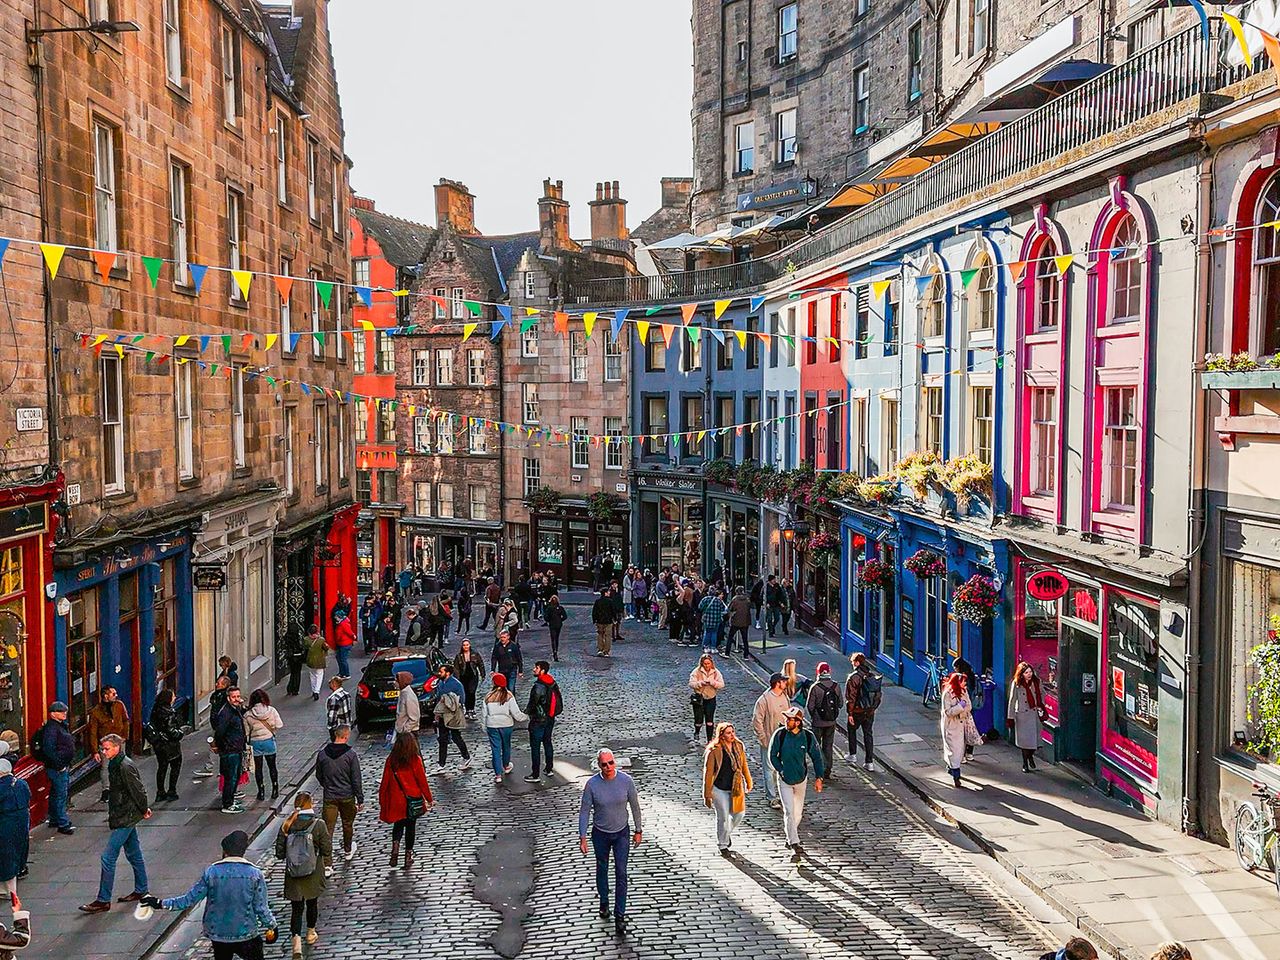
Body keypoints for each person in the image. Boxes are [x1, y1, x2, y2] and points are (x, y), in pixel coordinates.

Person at [144, 830, 276, 960]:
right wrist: (271, 925)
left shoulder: (212, 872)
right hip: (246, 933)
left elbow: (188, 900)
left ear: (225, 851)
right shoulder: (254, 874)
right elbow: (261, 907)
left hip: (218, 934)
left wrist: (160, 903)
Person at [79, 734, 151, 913]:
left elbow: (137, 789)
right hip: (124, 813)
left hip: (125, 816)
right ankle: (142, 889)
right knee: (134, 853)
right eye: (102, 749)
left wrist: (144, 809)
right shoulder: (115, 763)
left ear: (118, 747)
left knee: (108, 857)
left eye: (107, 748)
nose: (104, 752)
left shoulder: (125, 766)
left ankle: (103, 900)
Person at [578, 748, 642, 936]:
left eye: (611, 763)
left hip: (621, 832)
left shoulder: (626, 781)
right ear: (599, 765)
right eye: (604, 764)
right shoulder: (592, 785)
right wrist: (582, 836)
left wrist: (638, 830)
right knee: (602, 868)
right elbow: (584, 811)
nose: (608, 767)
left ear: (615, 762)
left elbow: (635, 806)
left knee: (621, 873)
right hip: (601, 834)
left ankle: (620, 915)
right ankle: (604, 900)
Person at [273, 792, 330, 959]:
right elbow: (327, 850)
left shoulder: (287, 825)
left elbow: (279, 853)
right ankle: (310, 933)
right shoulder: (318, 824)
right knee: (312, 904)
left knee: (296, 910)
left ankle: (296, 944)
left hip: (293, 874)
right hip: (313, 872)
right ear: (310, 805)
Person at [768, 707, 825, 862]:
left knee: (798, 813)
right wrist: (781, 770)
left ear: (798, 722)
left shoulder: (807, 737)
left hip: (801, 779)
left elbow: (817, 757)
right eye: (786, 718)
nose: (787, 721)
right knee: (788, 811)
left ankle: (789, 836)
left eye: (790, 719)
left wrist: (819, 777)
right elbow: (772, 755)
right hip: (784, 780)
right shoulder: (779, 735)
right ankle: (795, 842)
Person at [378, 732, 433, 870]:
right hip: (411, 799)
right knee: (410, 827)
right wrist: (429, 798)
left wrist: (382, 799)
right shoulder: (415, 760)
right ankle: (408, 855)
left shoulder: (391, 760)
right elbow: (422, 781)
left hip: (396, 799)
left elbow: (385, 782)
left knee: (398, 825)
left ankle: (395, 847)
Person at [314, 725, 363, 870]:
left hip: (330, 796)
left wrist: (327, 785)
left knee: (328, 829)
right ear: (346, 736)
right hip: (347, 796)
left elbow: (319, 775)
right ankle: (348, 849)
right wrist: (359, 798)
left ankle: (327, 864)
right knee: (347, 824)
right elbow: (356, 779)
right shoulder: (351, 755)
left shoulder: (322, 754)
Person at [702, 721, 753, 855]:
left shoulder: (738, 746)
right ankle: (723, 844)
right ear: (722, 735)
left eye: (732, 732)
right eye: (728, 733)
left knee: (739, 814)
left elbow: (743, 765)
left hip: (735, 787)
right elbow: (708, 773)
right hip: (719, 788)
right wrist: (707, 794)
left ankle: (726, 833)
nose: (732, 735)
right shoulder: (714, 750)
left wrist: (748, 780)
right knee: (723, 816)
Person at [751, 673, 791, 809]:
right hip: (769, 740)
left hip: (784, 740)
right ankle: (772, 797)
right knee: (769, 770)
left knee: (781, 768)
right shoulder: (764, 700)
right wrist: (763, 738)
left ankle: (782, 794)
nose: (786, 683)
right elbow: (757, 721)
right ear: (777, 683)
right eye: (784, 681)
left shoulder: (785, 697)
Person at [35, 702, 75, 835]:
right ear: (53, 714)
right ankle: (63, 823)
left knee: (55, 792)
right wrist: (60, 765)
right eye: (61, 711)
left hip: (58, 766)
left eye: (65, 711)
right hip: (57, 768)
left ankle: (54, 819)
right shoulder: (52, 729)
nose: (64, 713)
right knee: (60, 794)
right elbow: (49, 749)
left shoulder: (58, 726)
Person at [0, 755, 30, 929]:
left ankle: (9, 891)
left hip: (5, 827)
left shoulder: (2, 787)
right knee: (15, 856)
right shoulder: (21, 783)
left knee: (6, 858)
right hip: (20, 826)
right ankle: (10, 891)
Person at [480, 675, 527, 784]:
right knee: (506, 746)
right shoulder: (509, 695)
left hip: (492, 725)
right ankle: (506, 766)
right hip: (506, 725)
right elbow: (516, 713)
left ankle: (497, 775)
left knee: (495, 750)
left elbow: (484, 714)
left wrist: (484, 726)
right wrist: (526, 717)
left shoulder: (488, 696)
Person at [87, 686, 130, 802]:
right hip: (105, 744)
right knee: (106, 767)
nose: (116, 695)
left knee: (122, 764)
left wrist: (124, 736)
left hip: (118, 741)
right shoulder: (96, 712)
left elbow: (126, 720)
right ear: (106, 696)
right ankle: (106, 790)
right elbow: (93, 732)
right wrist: (95, 751)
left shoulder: (119, 705)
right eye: (113, 694)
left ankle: (123, 787)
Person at [523, 661, 563, 783]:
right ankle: (549, 768)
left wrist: (527, 713)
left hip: (539, 720)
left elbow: (533, 703)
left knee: (535, 747)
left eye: (536, 668)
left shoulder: (539, 686)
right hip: (550, 718)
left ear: (542, 670)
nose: (534, 670)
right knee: (547, 743)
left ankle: (535, 774)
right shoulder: (551, 682)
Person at [213, 687, 248, 815]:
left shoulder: (235, 710)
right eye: (234, 697)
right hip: (230, 750)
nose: (237, 699)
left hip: (236, 748)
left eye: (238, 696)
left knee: (235, 776)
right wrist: (223, 747)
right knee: (231, 778)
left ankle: (231, 800)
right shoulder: (226, 713)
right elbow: (220, 732)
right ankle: (227, 804)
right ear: (228, 698)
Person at [845, 652, 882, 771]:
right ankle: (869, 762)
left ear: (857, 662)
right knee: (868, 734)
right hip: (869, 711)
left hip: (857, 711)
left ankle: (852, 755)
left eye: (852, 662)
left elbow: (851, 697)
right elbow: (878, 695)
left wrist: (850, 713)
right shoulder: (871, 676)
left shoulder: (854, 677)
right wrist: (872, 709)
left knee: (851, 730)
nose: (852, 664)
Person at [146, 688, 184, 802]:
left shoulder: (155, 709)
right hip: (170, 745)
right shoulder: (169, 712)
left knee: (162, 767)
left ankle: (160, 792)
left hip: (159, 745)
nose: (175, 698)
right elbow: (171, 730)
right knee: (175, 767)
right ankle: (172, 791)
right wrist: (180, 734)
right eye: (173, 696)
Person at [805, 662, 842, 778]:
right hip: (831, 722)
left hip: (817, 722)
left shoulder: (815, 687)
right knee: (828, 746)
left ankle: (820, 768)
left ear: (818, 672)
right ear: (829, 672)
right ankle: (828, 769)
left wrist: (815, 716)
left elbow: (810, 706)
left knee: (816, 746)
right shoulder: (836, 686)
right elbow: (840, 703)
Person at [432, 664, 472, 770]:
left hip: (452, 715)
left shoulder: (456, 684)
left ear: (448, 673)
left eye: (441, 672)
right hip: (442, 715)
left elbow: (462, 700)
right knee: (442, 739)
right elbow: (438, 699)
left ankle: (466, 757)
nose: (439, 673)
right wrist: (436, 714)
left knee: (456, 737)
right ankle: (441, 764)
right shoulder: (440, 683)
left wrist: (450, 701)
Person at [245, 690, 283, 802]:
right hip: (268, 741)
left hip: (255, 742)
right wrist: (272, 729)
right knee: (272, 767)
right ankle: (275, 789)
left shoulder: (248, 714)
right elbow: (279, 724)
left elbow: (246, 733)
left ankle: (261, 791)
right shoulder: (271, 710)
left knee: (258, 769)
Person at [1009, 661, 1046, 772]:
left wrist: (1041, 706)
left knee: (1035, 743)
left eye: (1030, 672)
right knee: (1025, 743)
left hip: (1034, 715)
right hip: (1022, 716)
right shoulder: (1016, 684)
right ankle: (1025, 764)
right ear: (1021, 674)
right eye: (1026, 673)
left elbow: (1042, 694)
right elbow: (1012, 700)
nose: (1029, 674)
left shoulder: (1036, 682)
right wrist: (1010, 717)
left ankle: (1030, 756)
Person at [941, 673, 974, 788]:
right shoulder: (947, 694)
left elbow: (969, 706)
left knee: (959, 751)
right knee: (954, 752)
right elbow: (948, 712)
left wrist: (963, 708)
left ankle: (952, 768)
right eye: (963, 681)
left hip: (962, 726)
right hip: (951, 727)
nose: (965, 684)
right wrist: (960, 707)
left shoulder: (964, 692)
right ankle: (956, 776)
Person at [688, 654, 725, 743]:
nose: (707, 666)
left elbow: (721, 684)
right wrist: (700, 683)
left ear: (711, 663)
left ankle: (709, 740)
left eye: (708, 663)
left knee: (709, 719)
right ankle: (697, 731)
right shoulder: (696, 672)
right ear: (702, 664)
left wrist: (713, 683)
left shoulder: (716, 672)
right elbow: (691, 683)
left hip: (711, 698)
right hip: (699, 698)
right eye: (705, 664)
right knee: (699, 719)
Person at [454, 639, 486, 720]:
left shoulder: (475, 654)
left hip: (473, 676)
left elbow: (480, 664)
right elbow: (456, 668)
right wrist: (457, 678)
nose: (466, 646)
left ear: (470, 645)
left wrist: (483, 674)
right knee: (465, 693)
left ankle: (472, 709)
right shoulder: (459, 656)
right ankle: (467, 710)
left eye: (467, 645)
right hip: (463, 677)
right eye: (464, 645)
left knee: (472, 692)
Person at [491, 631, 524, 696]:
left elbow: (519, 659)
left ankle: (512, 702)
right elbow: (494, 658)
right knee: (502, 688)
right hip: (502, 670)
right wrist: (493, 669)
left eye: (504, 637)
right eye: (501, 637)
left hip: (512, 670)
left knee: (511, 688)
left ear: (508, 637)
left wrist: (520, 671)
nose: (502, 639)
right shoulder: (497, 646)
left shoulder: (514, 646)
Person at [697, 589, 727, 655]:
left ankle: (706, 647)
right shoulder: (719, 601)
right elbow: (723, 609)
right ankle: (713, 648)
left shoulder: (705, 599)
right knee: (714, 633)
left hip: (707, 619)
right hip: (716, 620)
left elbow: (699, 607)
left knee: (707, 633)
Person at [726, 586, 752, 657]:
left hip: (736, 621)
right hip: (745, 621)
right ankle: (746, 655)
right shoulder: (747, 599)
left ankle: (727, 653)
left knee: (730, 637)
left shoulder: (734, 599)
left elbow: (729, 609)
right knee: (745, 639)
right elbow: (749, 607)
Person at [325, 677, 353, 742]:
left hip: (338, 727)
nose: (329, 685)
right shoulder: (346, 694)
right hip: (347, 725)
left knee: (337, 745)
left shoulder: (334, 698)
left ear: (334, 684)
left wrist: (330, 726)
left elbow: (332, 715)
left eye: (330, 683)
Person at [304, 625, 328, 701]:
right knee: (319, 676)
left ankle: (313, 689)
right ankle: (316, 691)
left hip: (311, 660)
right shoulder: (321, 640)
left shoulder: (306, 639)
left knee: (312, 675)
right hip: (320, 661)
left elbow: (304, 647)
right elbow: (326, 648)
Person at [393, 671, 420, 735]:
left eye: (397, 681)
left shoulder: (409, 696)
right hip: (403, 731)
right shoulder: (403, 693)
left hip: (409, 733)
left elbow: (414, 717)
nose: (394, 683)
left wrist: (405, 729)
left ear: (402, 682)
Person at [283, 625, 306, 697]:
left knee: (292, 673)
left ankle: (290, 688)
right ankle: (295, 689)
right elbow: (302, 646)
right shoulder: (298, 637)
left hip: (291, 657)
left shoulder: (286, 637)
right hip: (298, 657)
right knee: (297, 673)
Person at [544, 595, 567, 662]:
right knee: (557, 637)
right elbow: (565, 616)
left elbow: (546, 617)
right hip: (559, 624)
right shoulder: (560, 608)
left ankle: (554, 650)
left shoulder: (549, 608)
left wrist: (549, 621)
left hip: (552, 624)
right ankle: (556, 649)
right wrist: (560, 620)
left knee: (553, 638)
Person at [592, 589, 615, 657]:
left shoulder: (597, 601)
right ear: (605, 593)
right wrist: (615, 619)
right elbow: (613, 611)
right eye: (608, 592)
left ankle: (600, 649)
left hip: (599, 621)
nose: (609, 593)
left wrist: (594, 619)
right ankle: (606, 651)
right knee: (608, 636)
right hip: (608, 621)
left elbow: (594, 611)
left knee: (600, 635)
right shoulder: (610, 601)